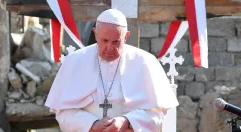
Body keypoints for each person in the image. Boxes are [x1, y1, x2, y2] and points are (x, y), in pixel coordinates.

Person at [45, 8, 179, 132]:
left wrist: (127, 121)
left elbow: (157, 114)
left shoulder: (145, 62)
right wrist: (91, 124)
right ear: (95, 33)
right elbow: (63, 113)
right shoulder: (75, 61)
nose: (109, 48)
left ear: (126, 36)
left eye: (116, 42)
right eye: (104, 40)